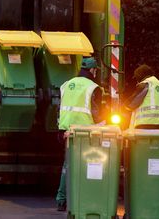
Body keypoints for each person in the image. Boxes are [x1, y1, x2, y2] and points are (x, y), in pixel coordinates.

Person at [56, 57, 105, 211]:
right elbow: (96, 112)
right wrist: (104, 125)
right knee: (89, 164)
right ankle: (85, 198)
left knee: (68, 165)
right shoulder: (93, 87)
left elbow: (60, 108)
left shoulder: (66, 85)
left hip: (66, 130)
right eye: (95, 70)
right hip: (86, 131)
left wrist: (61, 130)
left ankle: (61, 200)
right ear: (92, 70)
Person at [124, 64, 159, 129]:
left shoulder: (146, 83)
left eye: (137, 77)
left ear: (140, 76)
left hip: (145, 123)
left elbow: (132, 103)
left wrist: (124, 106)